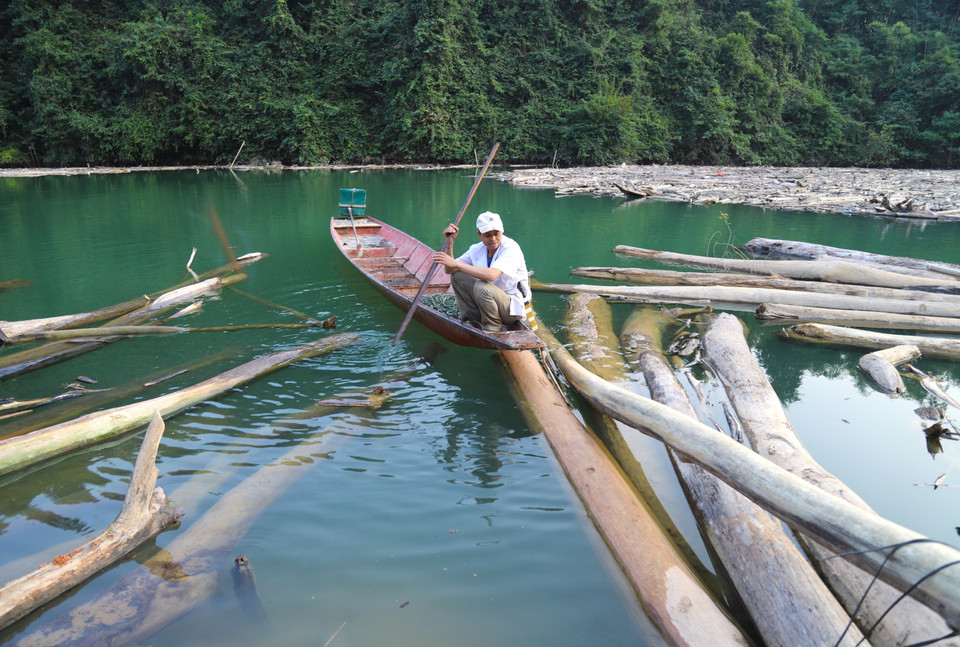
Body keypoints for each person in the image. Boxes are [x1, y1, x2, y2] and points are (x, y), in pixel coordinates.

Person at [432, 211, 530, 332]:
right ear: (480, 234)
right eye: (488, 235)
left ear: (502, 231)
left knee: (482, 286)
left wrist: (457, 263)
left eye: (496, 234)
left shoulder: (511, 248)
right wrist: (450, 244)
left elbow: (491, 275)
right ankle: (474, 320)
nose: (493, 239)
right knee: (457, 276)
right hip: (491, 302)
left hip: (512, 308)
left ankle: (493, 329)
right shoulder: (477, 249)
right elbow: (450, 269)